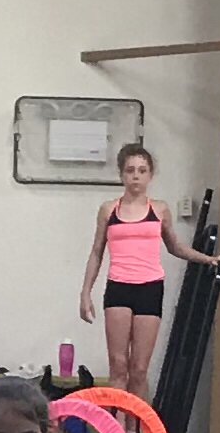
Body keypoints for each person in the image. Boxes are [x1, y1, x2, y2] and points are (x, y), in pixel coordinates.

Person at [75, 141, 210, 396]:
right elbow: (96, 252)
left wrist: (207, 259)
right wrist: (85, 293)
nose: (136, 176)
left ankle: (136, 422)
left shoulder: (159, 209)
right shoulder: (108, 210)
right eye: (130, 170)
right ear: (121, 175)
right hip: (119, 288)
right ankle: (116, 421)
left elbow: (175, 247)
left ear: (150, 175)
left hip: (150, 288)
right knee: (118, 367)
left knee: (138, 369)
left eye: (142, 170)